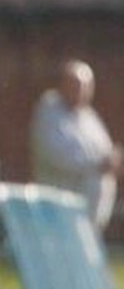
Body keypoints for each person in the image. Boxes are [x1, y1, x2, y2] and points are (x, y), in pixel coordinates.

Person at [31, 60, 121, 232]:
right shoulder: (49, 110)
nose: (80, 91)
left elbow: (105, 148)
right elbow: (59, 155)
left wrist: (113, 159)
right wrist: (98, 164)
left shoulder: (88, 116)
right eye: (75, 85)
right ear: (63, 84)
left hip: (91, 212)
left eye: (85, 86)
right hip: (60, 208)